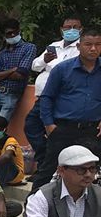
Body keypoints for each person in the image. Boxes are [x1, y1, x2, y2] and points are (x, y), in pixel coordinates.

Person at [29, 28, 101, 191]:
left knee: (92, 171)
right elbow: (47, 97)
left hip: (92, 130)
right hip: (63, 128)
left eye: (98, 44)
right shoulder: (62, 69)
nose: (93, 48)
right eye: (88, 44)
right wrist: (49, 125)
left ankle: (90, 204)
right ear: (79, 46)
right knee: (48, 169)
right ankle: (33, 203)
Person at [26, 15, 83, 172]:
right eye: (68, 27)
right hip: (42, 97)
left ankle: (51, 167)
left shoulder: (81, 47)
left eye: (75, 27)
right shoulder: (54, 46)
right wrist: (45, 60)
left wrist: (52, 66)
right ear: (61, 30)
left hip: (61, 98)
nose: (71, 30)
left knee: (56, 132)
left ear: (81, 29)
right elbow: (35, 66)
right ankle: (44, 160)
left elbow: (69, 70)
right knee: (31, 126)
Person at [0, 18, 37, 123]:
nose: (13, 35)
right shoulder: (1, 53)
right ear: (4, 36)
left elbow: (20, 74)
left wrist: (2, 74)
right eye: (9, 33)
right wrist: (12, 70)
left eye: (15, 32)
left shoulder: (29, 48)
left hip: (12, 94)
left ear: (19, 31)